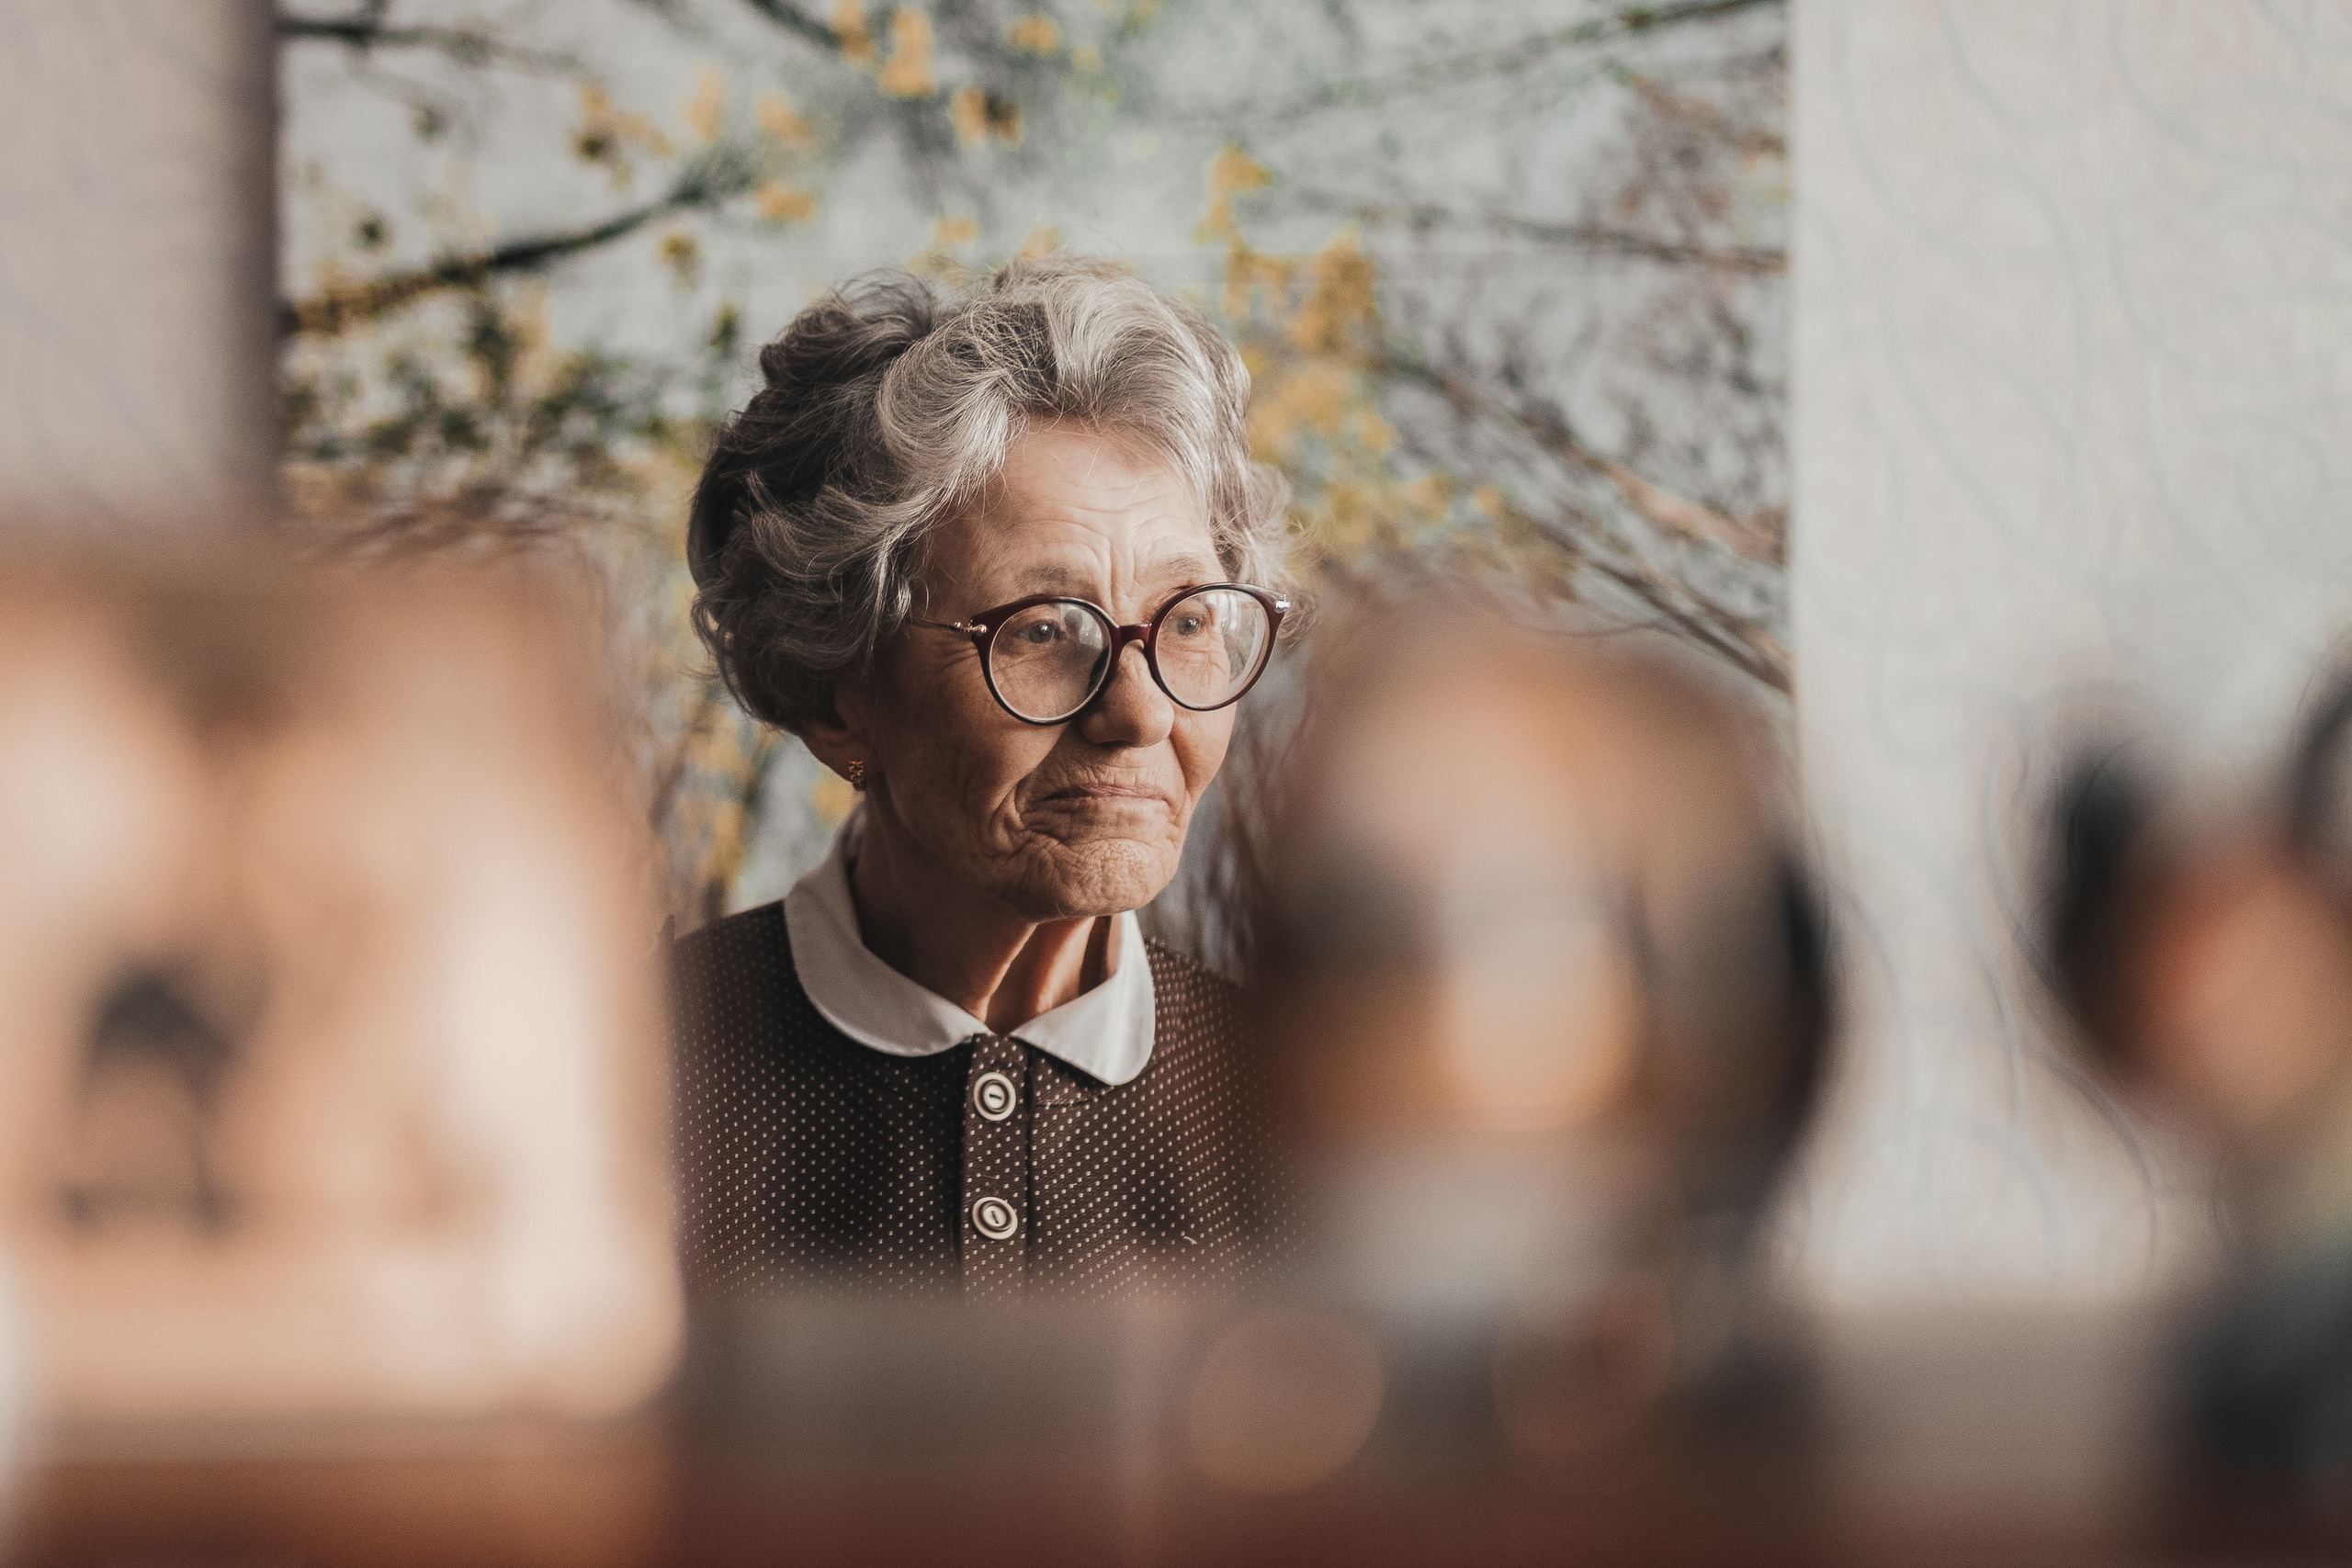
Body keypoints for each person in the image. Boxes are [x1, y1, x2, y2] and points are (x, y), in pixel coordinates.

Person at [672, 258, 1295, 1301]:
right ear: (837, 692)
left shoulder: (1304, 1117)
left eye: (1187, 623)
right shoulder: (628, 1082)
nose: (1140, 711)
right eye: (1045, 630)